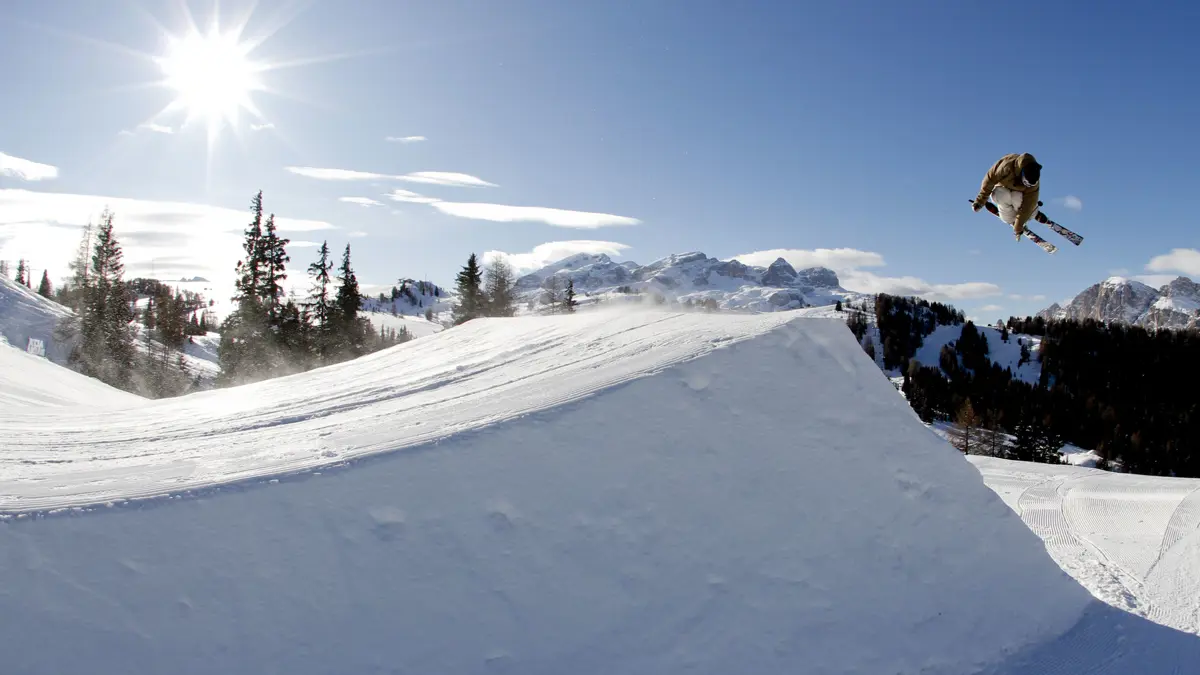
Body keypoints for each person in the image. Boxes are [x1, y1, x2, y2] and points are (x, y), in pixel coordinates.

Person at [971, 153, 1042, 239]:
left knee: (1016, 196)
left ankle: (1031, 213)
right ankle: (1011, 219)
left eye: (1030, 185)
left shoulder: (1034, 182)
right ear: (1022, 173)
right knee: (999, 194)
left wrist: (1019, 224)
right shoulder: (1006, 167)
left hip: (1021, 200)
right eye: (1026, 183)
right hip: (1004, 191)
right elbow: (989, 180)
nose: (1027, 186)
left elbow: (1029, 202)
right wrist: (980, 200)